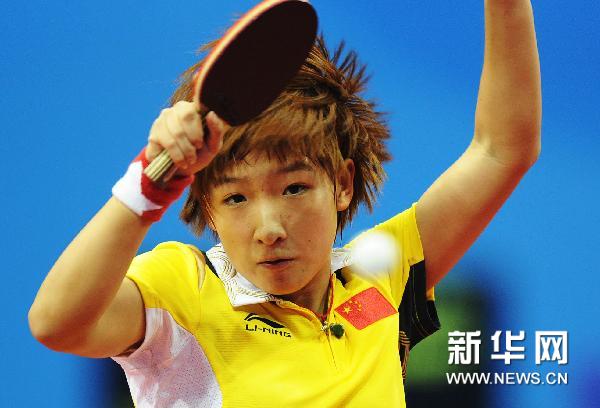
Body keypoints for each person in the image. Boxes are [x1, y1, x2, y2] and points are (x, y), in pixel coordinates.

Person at [28, 0, 541, 406]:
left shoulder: (382, 274)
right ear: (208, 208)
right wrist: (149, 182)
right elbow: (56, 323)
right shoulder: (184, 290)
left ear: (342, 183)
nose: (269, 227)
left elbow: (503, 149)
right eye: (235, 197)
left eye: (294, 188)